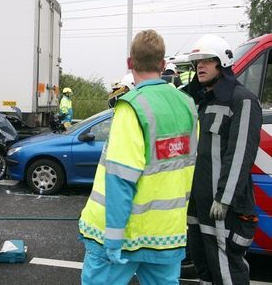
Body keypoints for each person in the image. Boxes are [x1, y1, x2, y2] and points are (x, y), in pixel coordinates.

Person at [79, 29, 198, 285]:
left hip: (125, 234)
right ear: (163, 64)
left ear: (130, 63)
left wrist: (113, 238)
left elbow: (121, 177)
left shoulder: (132, 107)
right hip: (167, 234)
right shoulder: (188, 105)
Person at [185, 34, 261, 285]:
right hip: (199, 208)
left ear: (223, 63)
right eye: (197, 62)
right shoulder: (202, 102)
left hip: (224, 211)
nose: (200, 67)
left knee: (228, 274)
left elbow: (240, 154)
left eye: (207, 60)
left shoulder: (242, 100)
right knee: (204, 270)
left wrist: (223, 199)